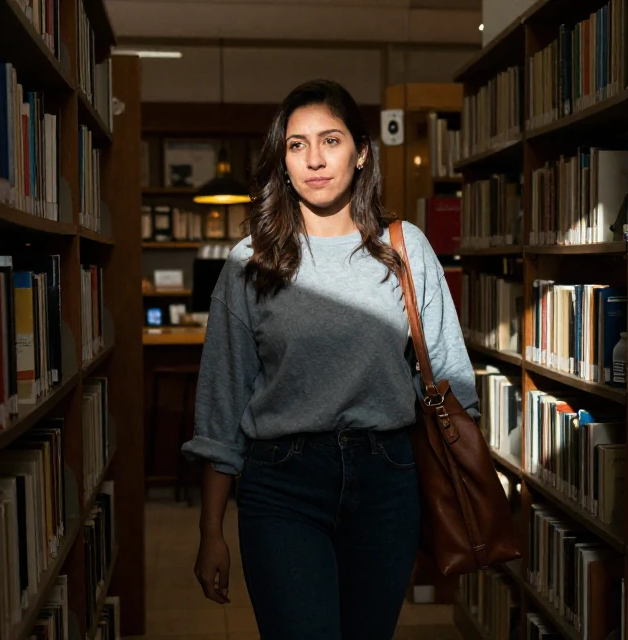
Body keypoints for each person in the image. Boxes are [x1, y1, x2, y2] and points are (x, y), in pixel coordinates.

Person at [180, 79, 479, 640]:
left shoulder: (405, 248)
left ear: (361, 152)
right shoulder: (250, 261)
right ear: (282, 159)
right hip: (282, 484)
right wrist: (211, 531)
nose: (314, 159)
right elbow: (221, 407)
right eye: (297, 145)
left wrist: (462, 489)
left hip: (388, 482)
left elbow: (452, 379)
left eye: (331, 140)